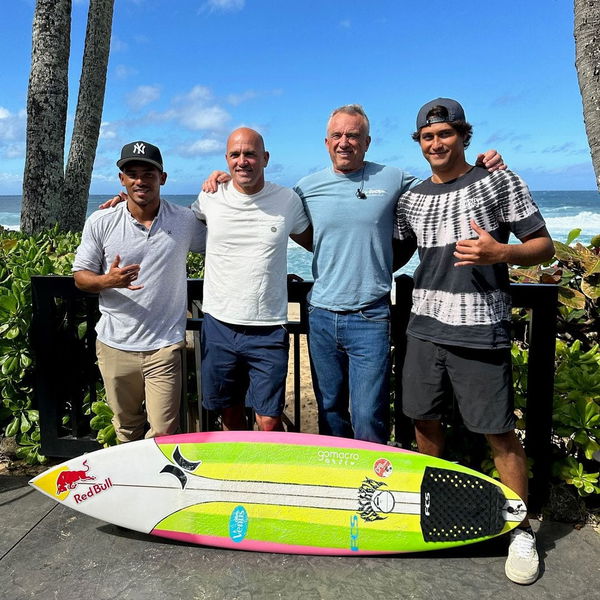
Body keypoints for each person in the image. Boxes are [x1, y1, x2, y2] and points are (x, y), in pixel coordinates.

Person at [204, 105, 504, 444]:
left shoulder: (393, 179)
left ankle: (372, 485)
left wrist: (480, 168)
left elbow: (441, 184)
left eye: (353, 136)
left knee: (367, 413)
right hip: (320, 315)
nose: (344, 142)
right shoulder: (305, 188)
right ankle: (340, 483)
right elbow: (304, 235)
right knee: (330, 409)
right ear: (326, 142)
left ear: (367, 141)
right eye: (337, 136)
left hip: (370, 316)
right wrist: (224, 179)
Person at [394, 98, 554, 584]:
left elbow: (542, 245)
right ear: (419, 144)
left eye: (445, 134)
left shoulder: (498, 180)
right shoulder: (411, 198)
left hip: (481, 329)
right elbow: (393, 247)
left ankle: (520, 531)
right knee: (423, 423)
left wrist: (501, 251)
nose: (437, 143)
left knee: (498, 430)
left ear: (463, 135)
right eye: (428, 136)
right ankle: (433, 512)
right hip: (423, 326)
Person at [73, 141, 207, 442]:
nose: (140, 180)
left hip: (164, 346)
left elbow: (224, 239)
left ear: (163, 178)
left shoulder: (184, 221)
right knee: (126, 430)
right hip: (114, 344)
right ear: (122, 179)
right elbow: (80, 277)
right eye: (131, 173)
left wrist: (224, 188)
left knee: (163, 433)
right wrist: (109, 281)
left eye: (148, 173)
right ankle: (133, 488)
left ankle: (157, 486)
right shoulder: (101, 221)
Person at [191, 128, 311, 431]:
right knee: (228, 411)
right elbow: (172, 222)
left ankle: (267, 473)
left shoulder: (287, 200)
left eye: (250, 154)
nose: (243, 161)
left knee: (268, 417)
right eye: (235, 154)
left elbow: (314, 240)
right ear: (226, 160)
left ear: (265, 158)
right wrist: (124, 207)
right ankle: (238, 473)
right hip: (219, 322)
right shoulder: (210, 196)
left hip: (269, 326)